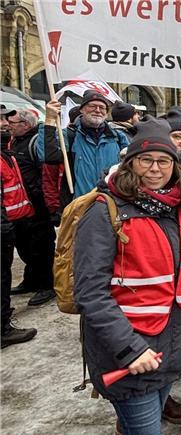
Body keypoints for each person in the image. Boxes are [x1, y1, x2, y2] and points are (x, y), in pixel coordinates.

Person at [72, 118, 181, 435]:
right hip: (129, 353)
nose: (155, 168)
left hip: (171, 344)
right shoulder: (105, 211)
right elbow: (90, 293)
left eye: (164, 161)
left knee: (147, 433)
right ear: (131, 163)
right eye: (146, 160)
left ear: (175, 166)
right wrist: (130, 349)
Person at [4, 108, 57, 306]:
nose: (8, 126)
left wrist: (40, 195)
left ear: (25, 125)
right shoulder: (14, 141)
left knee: (41, 246)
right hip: (22, 206)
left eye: (12, 123)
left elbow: (47, 173)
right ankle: (31, 279)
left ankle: (47, 285)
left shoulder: (36, 142)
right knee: (24, 245)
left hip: (38, 206)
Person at [40, 90, 130, 205]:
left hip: (113, 204)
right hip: (80, 205)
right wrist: (49, 121)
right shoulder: (69, 135)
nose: (97, 110)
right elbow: (47, 156)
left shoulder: (118, 137)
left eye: (102, 107)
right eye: (92, 106)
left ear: (107, 113)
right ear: (82, 110)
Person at [0, 105, 37, 347]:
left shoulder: (6, 151)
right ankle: (3, 329)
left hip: (15, 221)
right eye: (0, 119)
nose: (5, 123)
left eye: (6, 119)